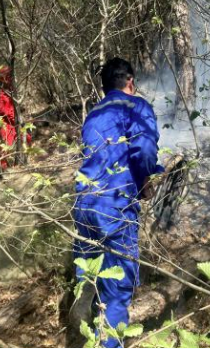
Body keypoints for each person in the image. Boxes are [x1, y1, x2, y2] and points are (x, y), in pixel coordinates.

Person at [72, 58, 164, 348]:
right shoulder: (136, 106)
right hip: (114, 206)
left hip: (84, 204)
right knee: (117, 288)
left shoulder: (94, 113)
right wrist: (145, 179)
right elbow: (144, 150)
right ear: (131, 82)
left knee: (92, 281)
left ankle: (87, 337)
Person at [0, 65, 31, 168]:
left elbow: (16, 107)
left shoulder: (12, 90)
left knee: (26, 138)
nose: (9, 78)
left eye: (10, 76)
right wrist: (16, 118)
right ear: (2, 78)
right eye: (7, 76)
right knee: (5, 147)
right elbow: (2, 111)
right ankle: (5, 171)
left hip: (14, 122)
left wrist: (21, 113)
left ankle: (23, 163)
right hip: (4, 123)